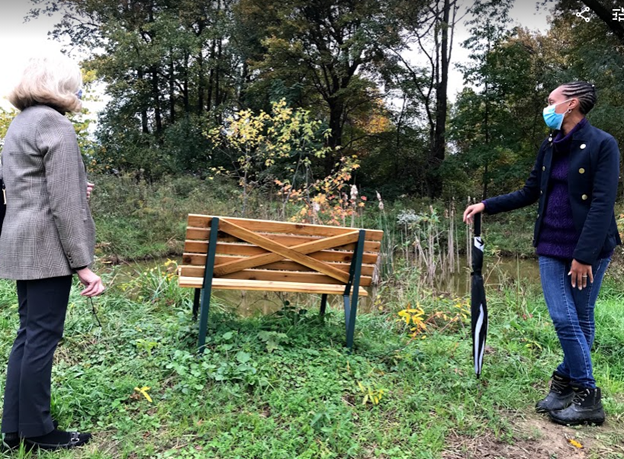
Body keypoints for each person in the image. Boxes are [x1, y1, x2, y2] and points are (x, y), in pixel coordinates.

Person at [463, 81, 620, 426]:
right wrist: (487, 205)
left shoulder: (603, 144)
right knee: (568, 320)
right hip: (550, 244)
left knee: (577, 320)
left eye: (552, 101)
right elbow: (530, 191)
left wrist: (584, 256)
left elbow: (602, 204)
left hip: (589, 248)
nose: (547, 107)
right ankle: (569, 386)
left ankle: (583, 394)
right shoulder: (550, 145)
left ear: (572, 104)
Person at [0, 52, 105, 451]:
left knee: (28, 335)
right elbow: (62, 203)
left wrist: (77, 187)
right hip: (46, 248)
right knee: (42, 337)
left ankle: (16, 430)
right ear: (61, 84)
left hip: (19, 241)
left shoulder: (20, 124)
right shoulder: (55, 123)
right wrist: (83, 265)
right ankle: (39, 432)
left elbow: (22, 184)